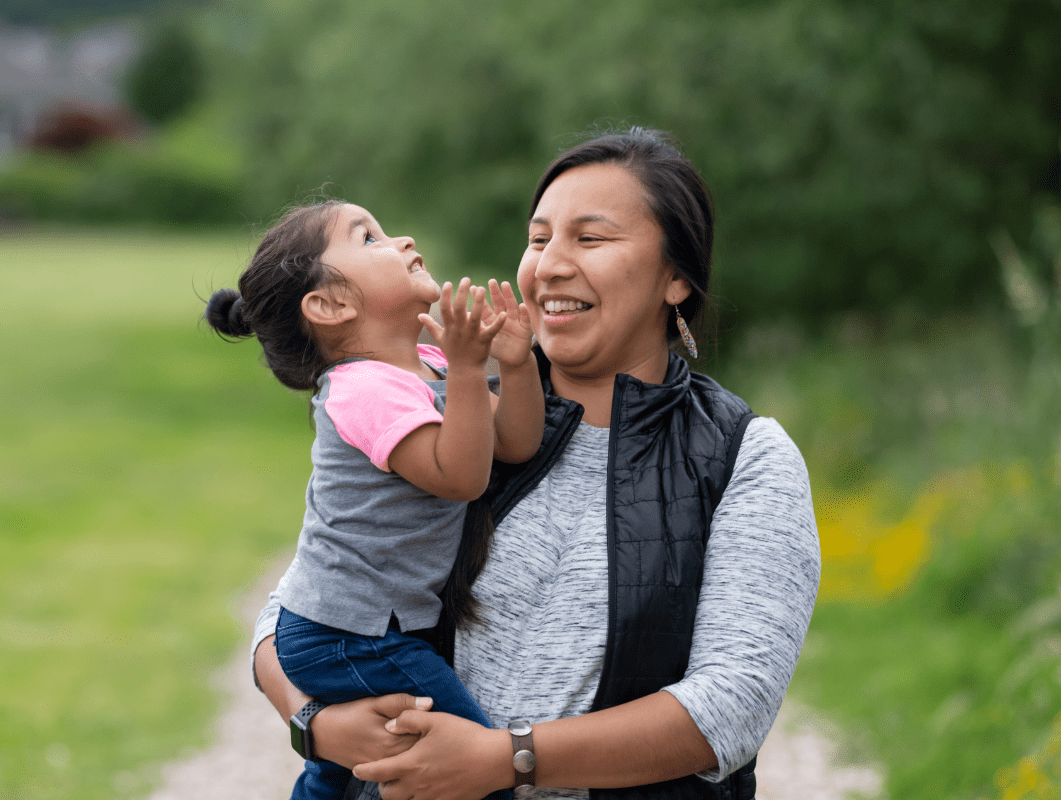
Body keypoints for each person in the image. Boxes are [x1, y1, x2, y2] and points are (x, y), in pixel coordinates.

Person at [252, 128, 820, 800]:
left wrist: (506, 759)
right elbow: (298, 604)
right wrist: (315, 725)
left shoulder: (743, 456)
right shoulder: (461, 413)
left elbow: (732, 707)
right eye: (540, 237)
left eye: (590, 238)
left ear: (675, 277)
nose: (549, 263)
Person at [205, 200, 544, 800]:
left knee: (341, 773)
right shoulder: (361, 389)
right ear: (331, 305)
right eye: (368, 238)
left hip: (366, 627)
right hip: (346, 634)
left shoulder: (433, 364)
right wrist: (470, 372)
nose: (403, 238)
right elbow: (460, 476)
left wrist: (513, 366)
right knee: (469, 759)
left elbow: (514, 444)